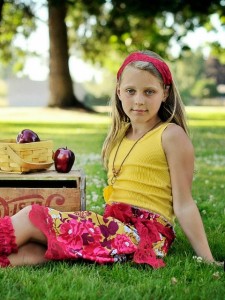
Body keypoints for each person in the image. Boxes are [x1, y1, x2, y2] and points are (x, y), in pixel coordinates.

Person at [0, 50, 222, 268]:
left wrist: (207, 258)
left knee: (31, 215)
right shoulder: (119, 136)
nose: (139, 100)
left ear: (165, 93)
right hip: (116, 228)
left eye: (149, 92)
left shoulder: (171, 135)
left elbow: (184, 204)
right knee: (33, 249)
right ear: (118, 91)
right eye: (130, 90)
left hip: (141, 235)